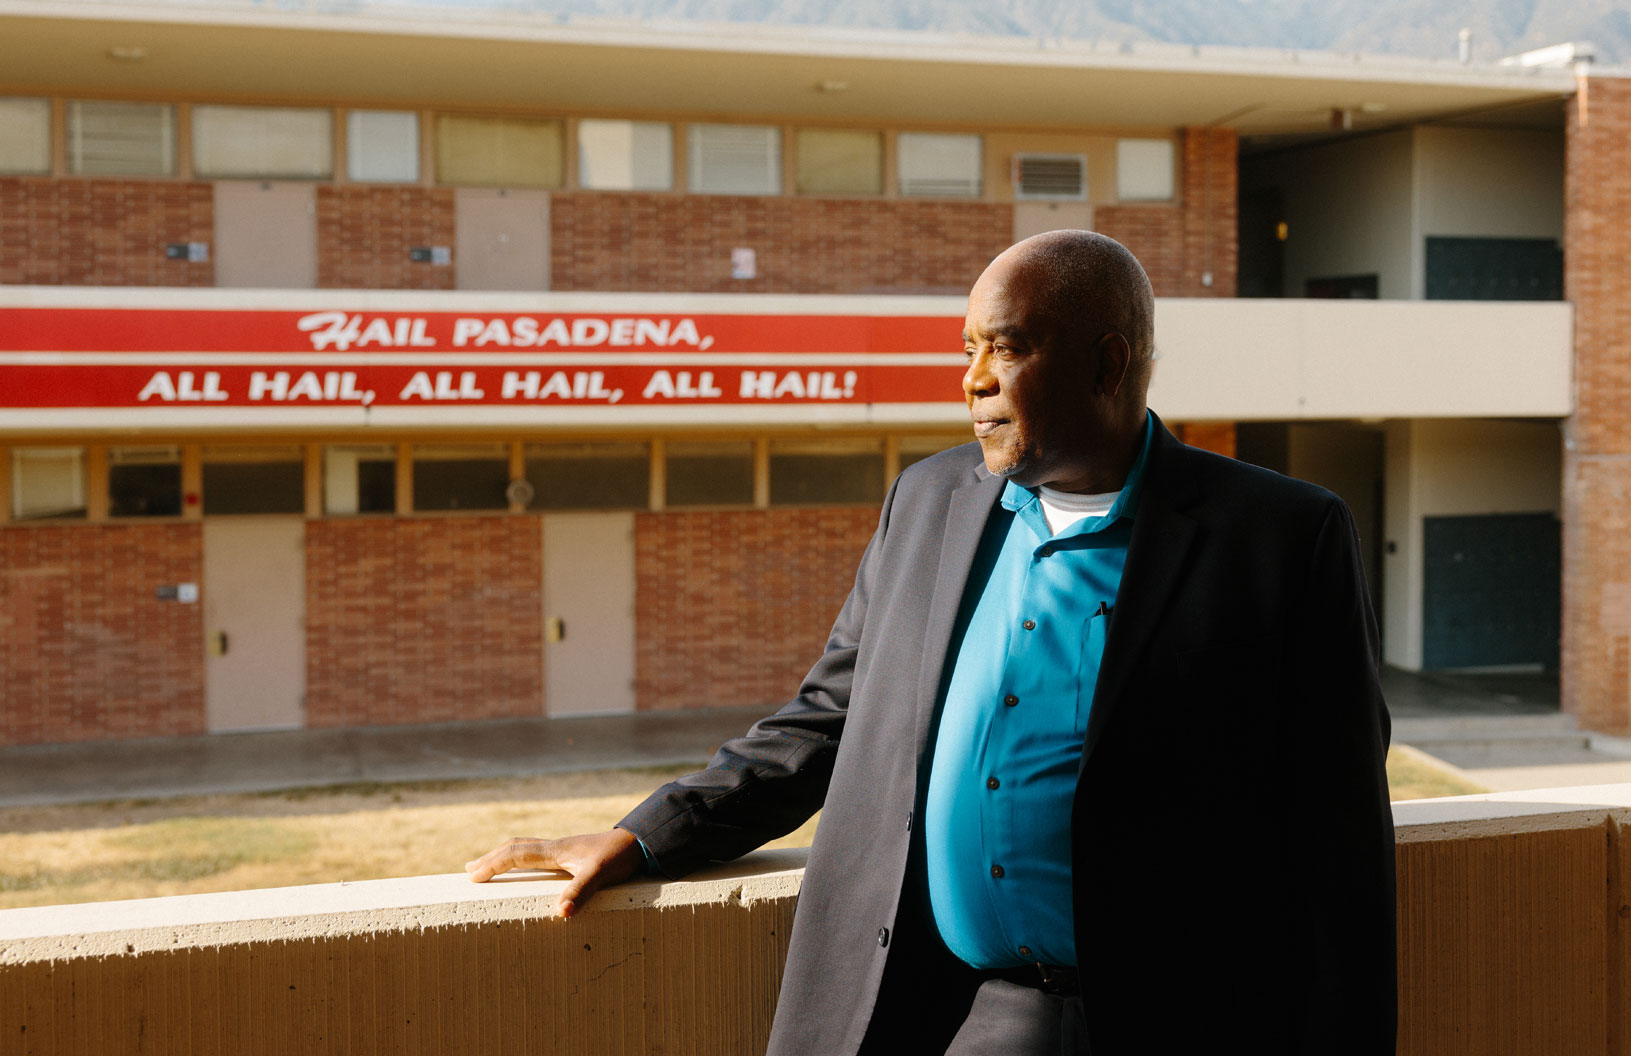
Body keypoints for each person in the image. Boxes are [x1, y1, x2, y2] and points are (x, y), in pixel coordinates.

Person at [469, 230, 1397, 1055]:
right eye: (968, 351)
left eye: (1009, 347)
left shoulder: (1279, 537)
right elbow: (830, 716)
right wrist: (648, 835)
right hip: (945, 1010)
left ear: (1108, 364)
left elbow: (1338, 839)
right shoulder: (929, 502)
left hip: (1179, 1018)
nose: (973, 379)